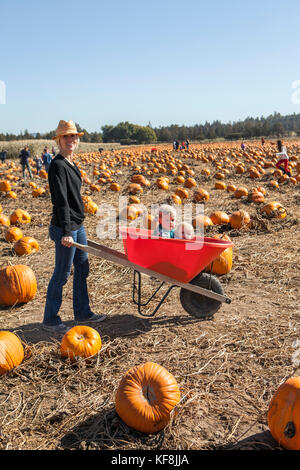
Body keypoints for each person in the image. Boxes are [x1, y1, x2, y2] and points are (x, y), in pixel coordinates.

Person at [42, 120, 106, 334]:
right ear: (59, 140)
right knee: (62, 273)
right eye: (66, 137)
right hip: (65, 227)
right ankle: (50, 319)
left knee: (82, 269)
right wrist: (67, 232)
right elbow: (61, 201)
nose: (71, 140)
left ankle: (82, 312)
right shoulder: (58, 165)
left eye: (74, 136)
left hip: (78, 225)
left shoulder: (71, 162)